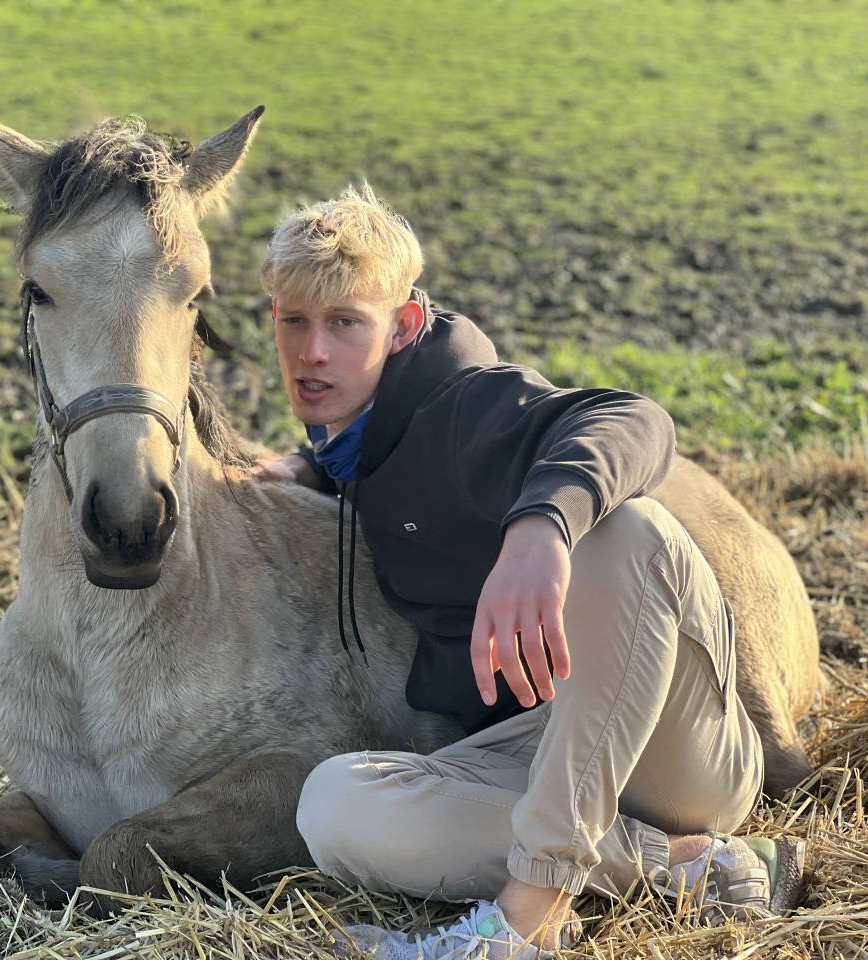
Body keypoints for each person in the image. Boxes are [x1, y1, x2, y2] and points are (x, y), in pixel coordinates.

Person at [250, 186, 804, 959]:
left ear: (405, 325)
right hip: (545, 749)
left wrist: (541, 529)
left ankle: (523, 924)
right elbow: (386, 463)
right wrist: (311, 468)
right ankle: (689, 869)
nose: (313, 352)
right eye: (294, 321)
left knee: (622, 528)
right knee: (334, 807)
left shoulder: (469, 401)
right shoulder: (360, 442)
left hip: (677, 748)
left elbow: (636, 420)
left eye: (346, 323)